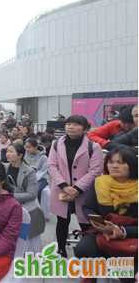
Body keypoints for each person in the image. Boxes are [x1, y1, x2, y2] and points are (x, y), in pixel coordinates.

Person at [74, 147, 137, 282]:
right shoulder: (99, 183)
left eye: (120, 162)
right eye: (111, 162)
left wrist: (123, 231)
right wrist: (101, 225)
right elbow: (88, 207)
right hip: (103, 231)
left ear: (132, 164)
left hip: (133, 233)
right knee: (83, 250)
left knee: (129, 271)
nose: (114, 166)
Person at [48, 115, 104, 257]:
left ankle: (87, 252)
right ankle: (61, 250)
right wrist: (64, 185)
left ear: (85, 129)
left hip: (84, 192)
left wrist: (78, 188)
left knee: (85, 223)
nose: (70, 127)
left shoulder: (93, 147)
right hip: (62, 190)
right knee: (62, 221)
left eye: (75, 124)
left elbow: (96, 170)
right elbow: (52, 166)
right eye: (68, 124)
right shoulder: (56, 144)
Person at [5, 143, 45, 243]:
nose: (7, 154)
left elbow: (32, 194)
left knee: (23, 239)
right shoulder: (4, 168)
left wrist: (11, 196)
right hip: (9, 204)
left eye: (11, 152)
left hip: (25, 206)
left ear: (20, 155)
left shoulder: (29, 171)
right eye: (7, 151)